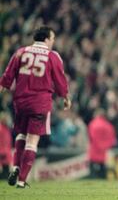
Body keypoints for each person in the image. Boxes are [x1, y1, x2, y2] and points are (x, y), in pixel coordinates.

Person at [0, 26, 71, 188]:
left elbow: (7, 77)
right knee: (32, 141)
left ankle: (16, 167)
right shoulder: (52, 56)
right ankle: (21, 181)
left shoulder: (21, 52)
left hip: (20, 102)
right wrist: (66, 97)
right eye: (52, 39)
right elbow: (60, 80)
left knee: (20, 135)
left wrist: (2, 88)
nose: (53, 42)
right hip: (40, 103)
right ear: (46, 39)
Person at [88, 109, 116, 179]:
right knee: (103, 174)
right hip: (104, 154)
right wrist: (104, 147)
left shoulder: (93, 124)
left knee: (93, 174)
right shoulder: (109, 126)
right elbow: (112, 140)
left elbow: (92, 138)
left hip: (94, 153)